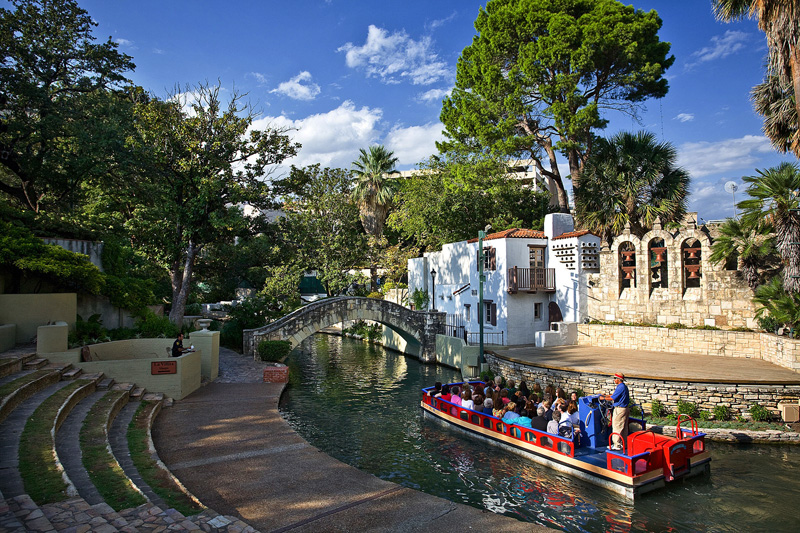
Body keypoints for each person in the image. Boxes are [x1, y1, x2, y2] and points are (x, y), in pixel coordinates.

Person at [603, 372, 630, 451]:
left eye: (615, 378)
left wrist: (603, 398)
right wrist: (606, 396)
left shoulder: (620, 387)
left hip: (620, 409)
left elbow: (613, 398)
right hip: (625, 408)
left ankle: (617, 445)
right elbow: (615, 395)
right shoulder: (623, 387)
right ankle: (623, 444)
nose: (614, 380)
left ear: (619, 379)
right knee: (624, 427)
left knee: (617, 426)